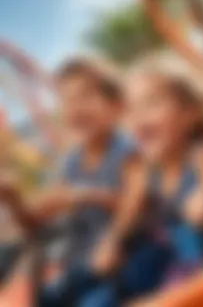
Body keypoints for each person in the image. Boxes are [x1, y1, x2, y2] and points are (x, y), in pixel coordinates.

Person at [93, 56, 203, 295]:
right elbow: (129, 209)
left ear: (191, 113)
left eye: (152, 103)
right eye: (131, 110)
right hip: (187, 271)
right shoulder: (150, 175)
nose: (138, 117)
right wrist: (113, 240)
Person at [0, 57, 133, 306]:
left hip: (126, 258)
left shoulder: (125, 150)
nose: (76, 108)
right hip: (85, 262)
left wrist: (85, 195)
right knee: (44, 299)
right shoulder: (72, 162)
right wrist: (13, 199)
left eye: (85, 97)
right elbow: (33, 222)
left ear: (115, 105)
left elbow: (142, 203)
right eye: (66, 101)